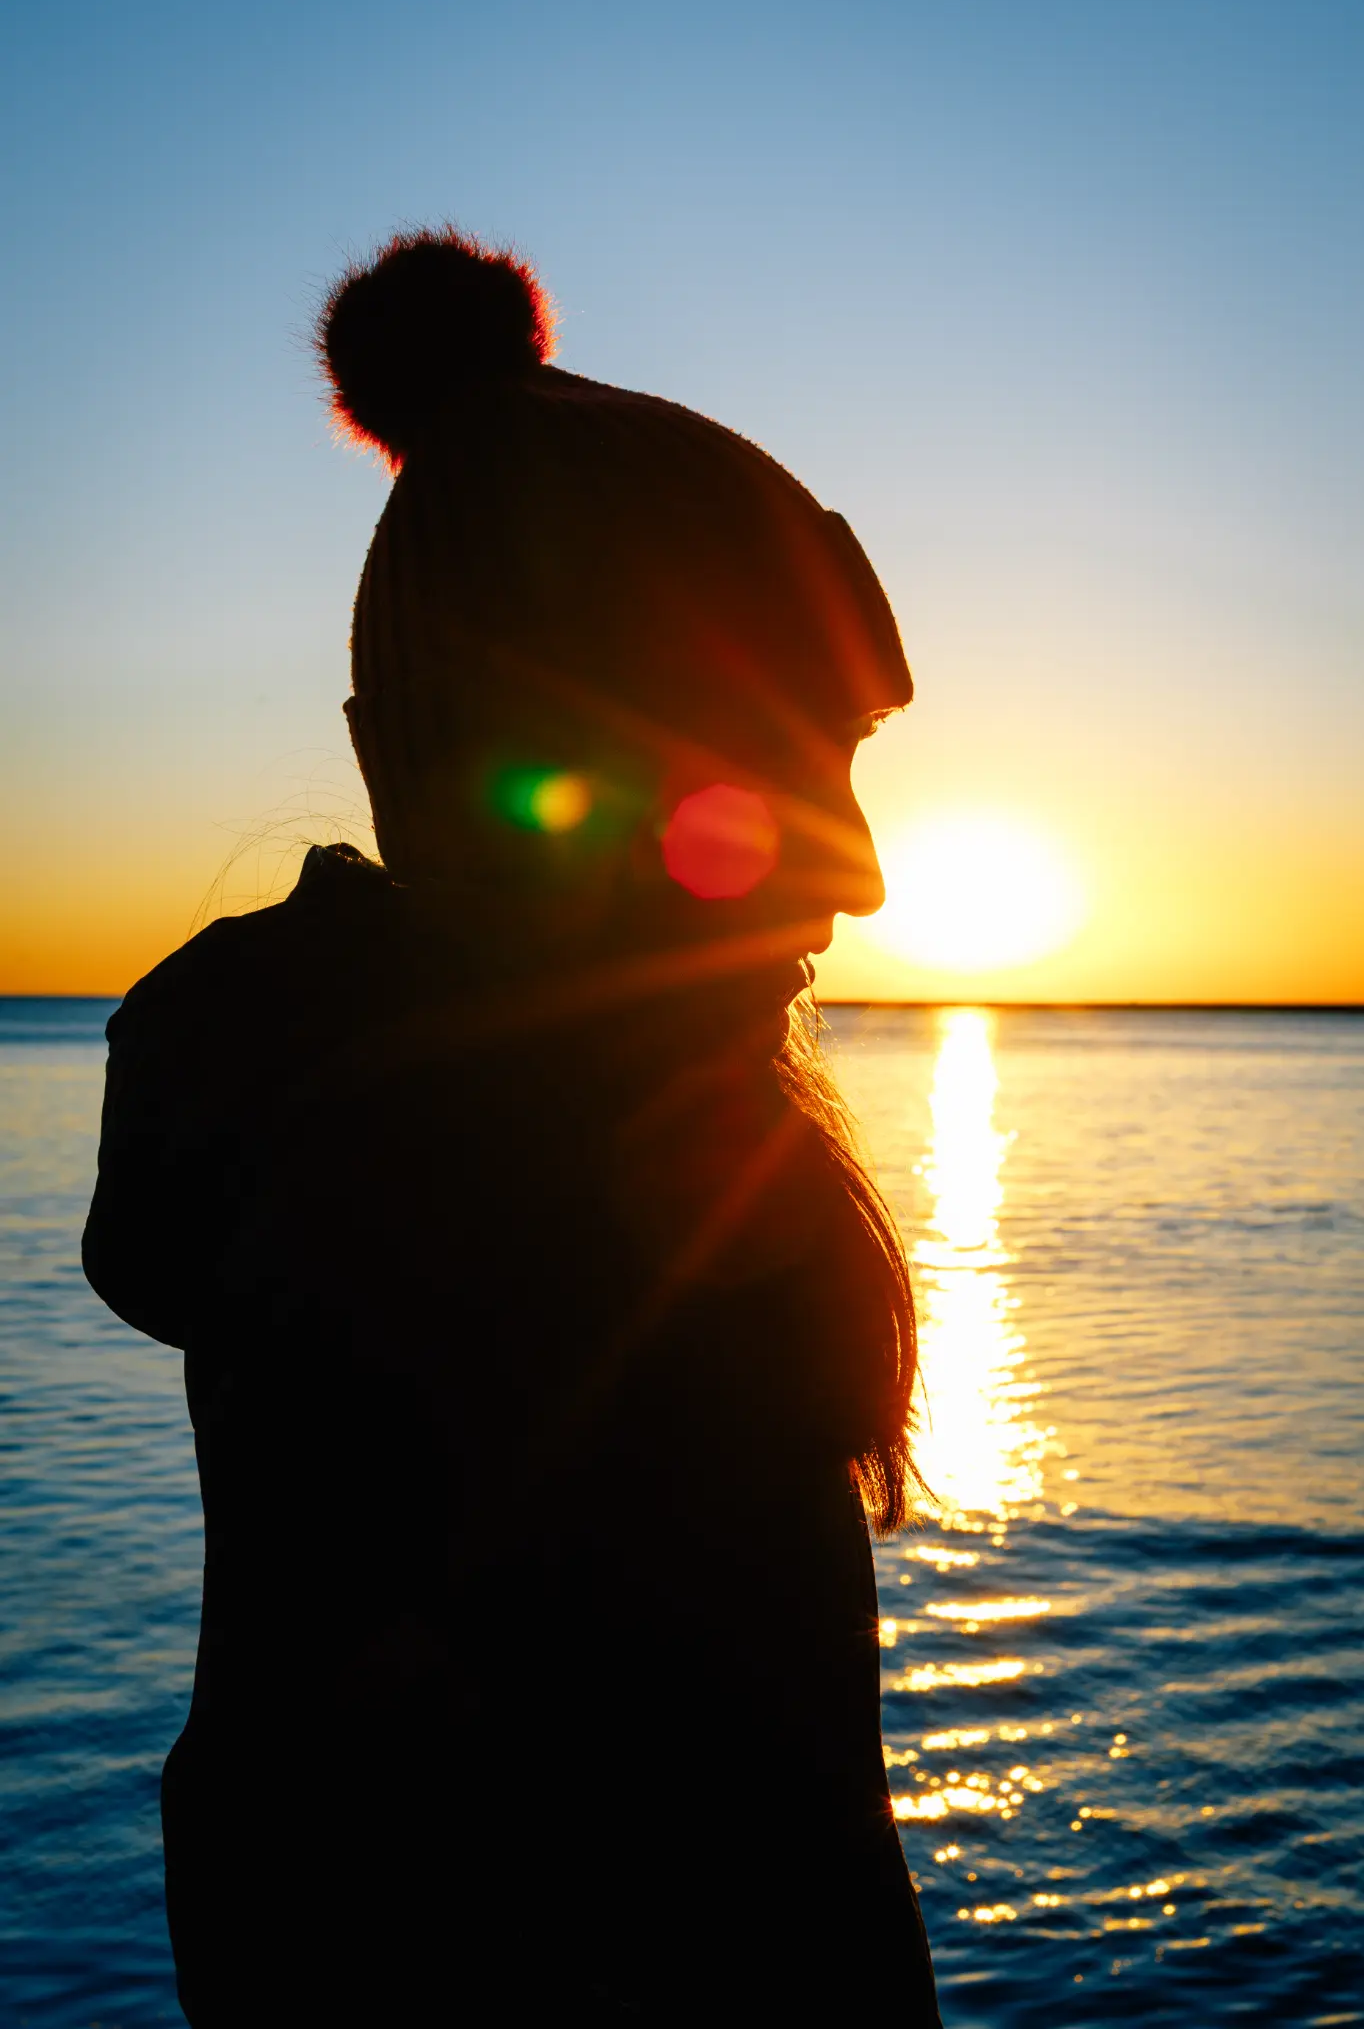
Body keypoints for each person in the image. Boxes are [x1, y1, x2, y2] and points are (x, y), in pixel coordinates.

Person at [83, 228, 942, 2025]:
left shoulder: (558, 1181)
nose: (858, 867)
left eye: (849, 758)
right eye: (768, 762)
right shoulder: (454, 1258)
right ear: (521, 781)